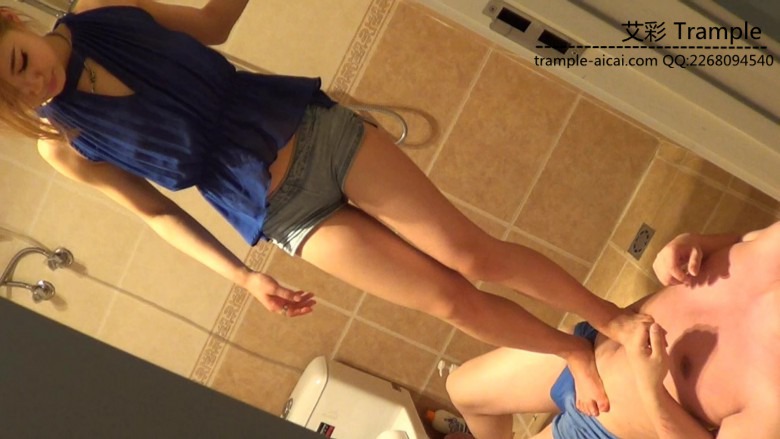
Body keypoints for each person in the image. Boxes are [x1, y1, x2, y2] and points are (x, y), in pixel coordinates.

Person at [0, 0, 642, 414]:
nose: (35, 84)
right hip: (281, 213)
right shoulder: (64, 144)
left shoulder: (105, 11)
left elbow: (215, 26)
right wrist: (243, 278)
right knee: (449, 302)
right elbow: (158, 214)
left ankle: (608, 319)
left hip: (316, 132)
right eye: (17, 93)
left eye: (18, 62)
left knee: (472, 256)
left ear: (13, 19)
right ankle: (571, 351)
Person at [446, 221, 780, 439]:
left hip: (601, 426)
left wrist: (652, 389)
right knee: (461, 390)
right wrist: (694, 243)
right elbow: (741, 240)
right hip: (591, 347)